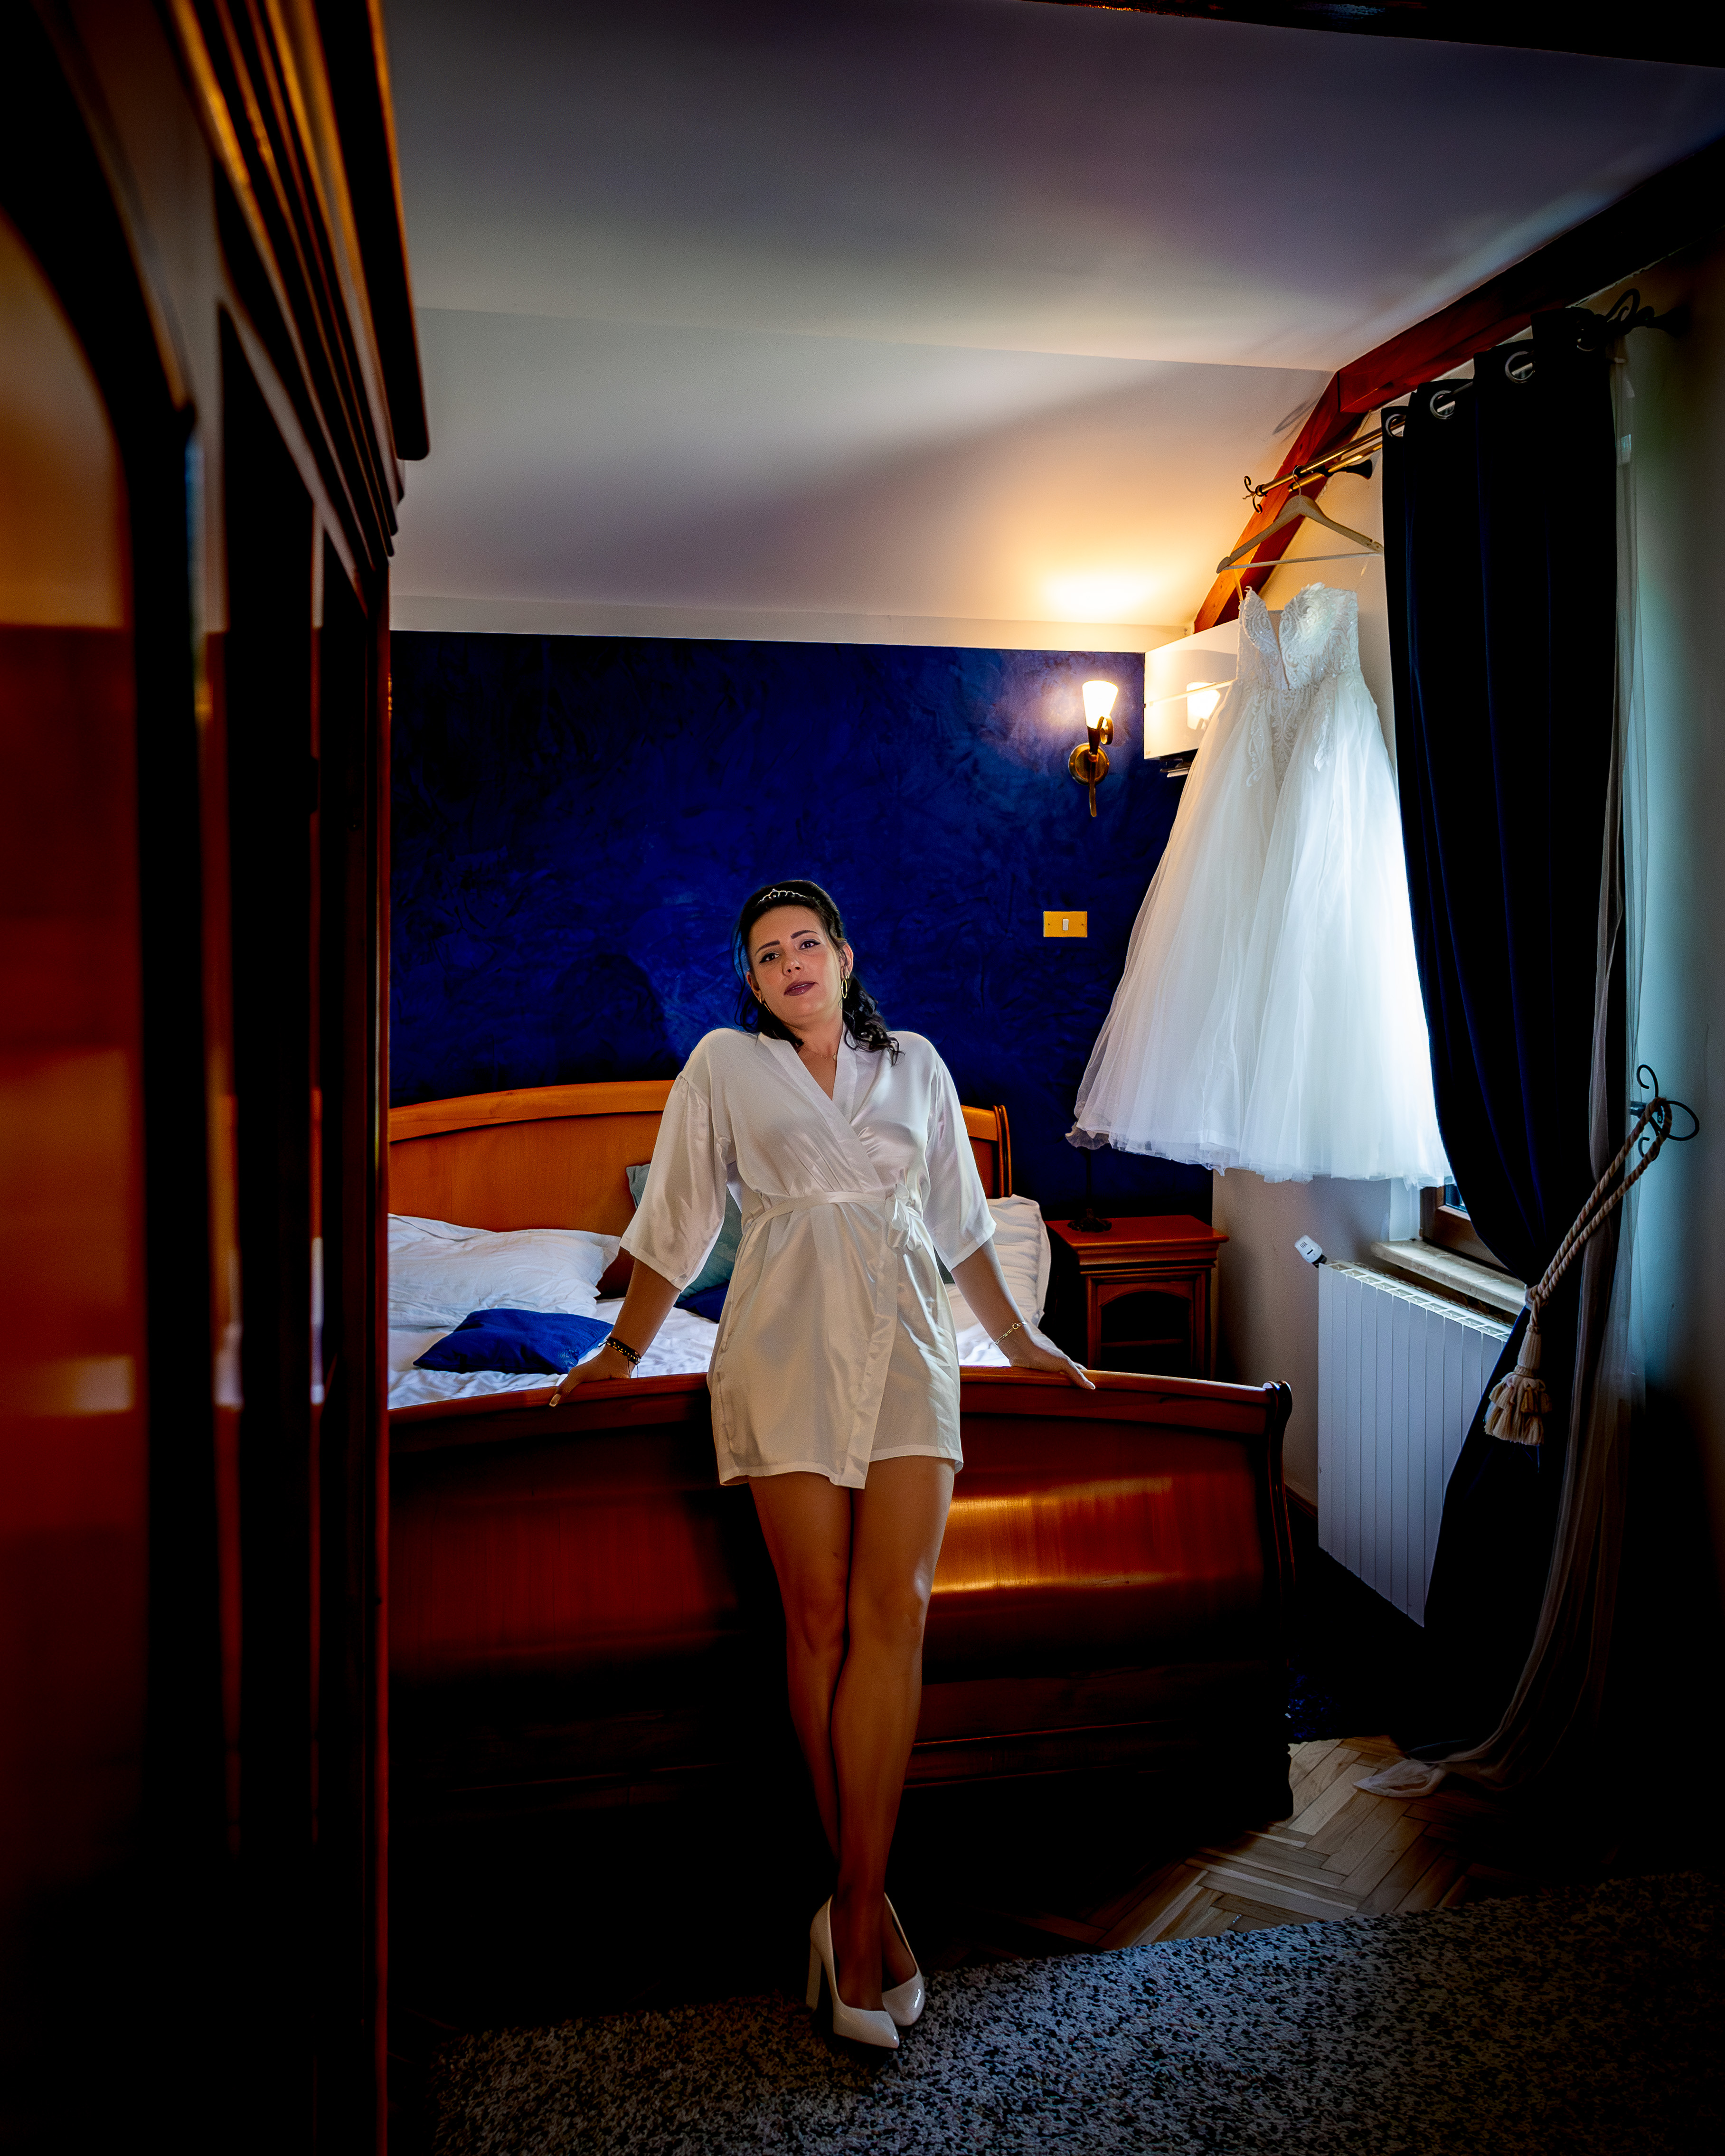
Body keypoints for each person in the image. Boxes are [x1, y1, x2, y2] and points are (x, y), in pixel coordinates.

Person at [549, 878, 1092, 2048]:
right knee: (821, 1617)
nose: (790, 963)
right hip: (782, 1342)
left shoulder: (916, 1064)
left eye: (806, 943)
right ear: (750, 982)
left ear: (844, 956)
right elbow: (679, 1221)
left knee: (897, 1611)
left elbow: (959, 1221)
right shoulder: (723, 1066)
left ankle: (850, 1900)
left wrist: (1020, 1343)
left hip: (906, 1340)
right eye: (767, 954)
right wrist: (620, 1351)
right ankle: (858, 1913)